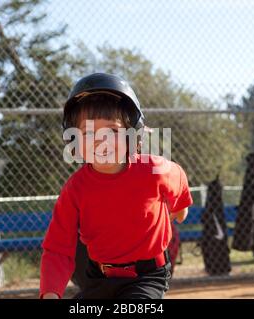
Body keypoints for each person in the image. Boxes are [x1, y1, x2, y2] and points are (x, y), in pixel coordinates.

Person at [40, 73, 193, 299]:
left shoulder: (153, 170)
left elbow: (178, 177)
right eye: (89, 133)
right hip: (98, 278)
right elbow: (58, 248)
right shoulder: (76, 189)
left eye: (112, 131)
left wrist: (180, 208)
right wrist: (51, 292)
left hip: (147, 276)